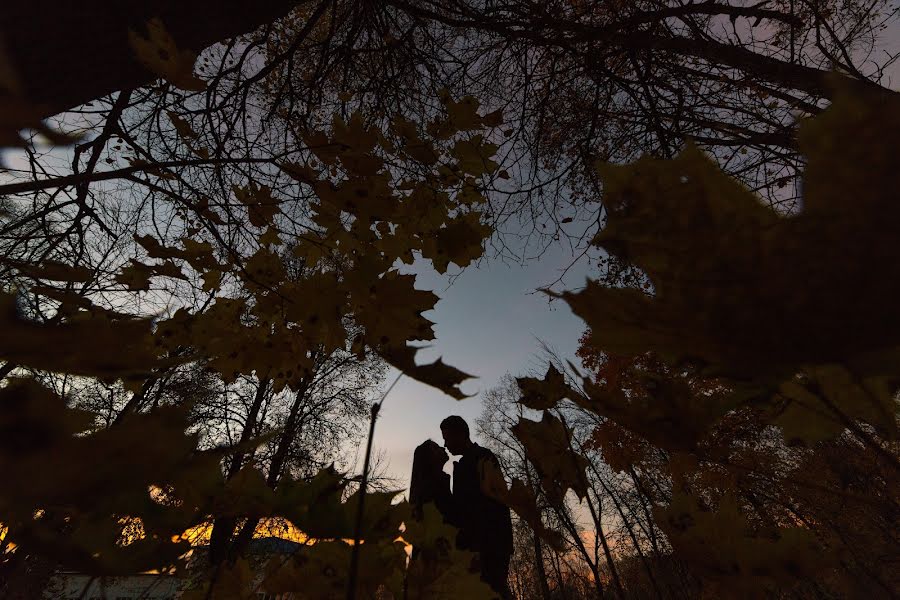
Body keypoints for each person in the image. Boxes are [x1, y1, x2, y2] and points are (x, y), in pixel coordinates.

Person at [440, 415, 513, 599]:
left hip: (488, 546)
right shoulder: (467, 463)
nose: (445, 444)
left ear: (461, 434)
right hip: (479, 546)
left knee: (494, 591)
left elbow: (496, 504)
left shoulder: (482, 458)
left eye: (447, 438)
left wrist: (478, 547)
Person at [408, 439, 453, 521]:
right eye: (436, 448)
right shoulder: (429, 487)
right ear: (428, 458)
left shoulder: (441, 480)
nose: (443, 448)